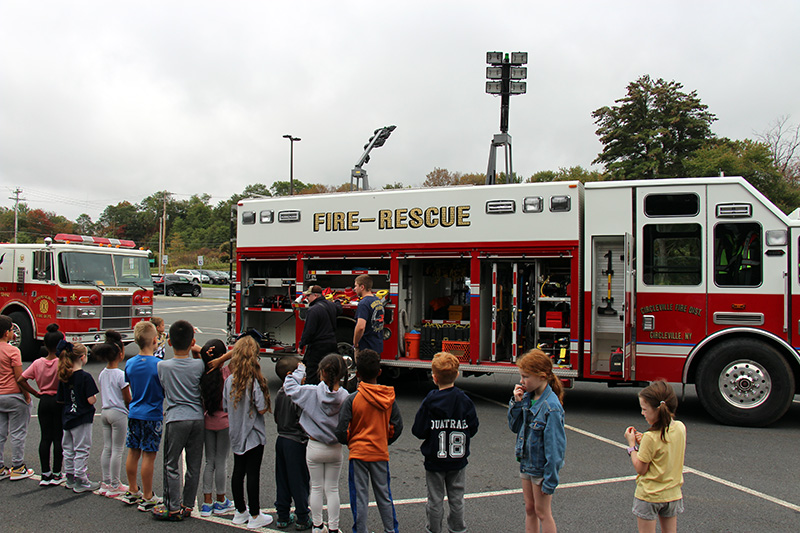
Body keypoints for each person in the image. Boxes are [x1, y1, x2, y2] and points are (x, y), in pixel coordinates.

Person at [335, 349, 403, 533]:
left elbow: (341, 429)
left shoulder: (352, 399)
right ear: (379, 372)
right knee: (384, 495)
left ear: (357, 374)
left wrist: (351, 441)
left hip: (358, 453)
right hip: (379, 451)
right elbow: (397, 426)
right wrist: (384, 439)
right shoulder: (389, 399)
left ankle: (361, 530)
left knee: (360, 496)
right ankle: (391, 529)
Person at [412, 352, 479, 533]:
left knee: (435, 498)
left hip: (435, 458)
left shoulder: (430, 401)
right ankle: (457, 528)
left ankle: (434, 529)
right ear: (456, 375)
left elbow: (418, 430)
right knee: (457, 497)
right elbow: (473, 426)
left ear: (434, 377)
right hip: (457, 459)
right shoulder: (464, 400)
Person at [285, 354, 350, 533]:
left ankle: (317, 525)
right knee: (332, 489)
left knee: (315, 487)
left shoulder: (312, 392)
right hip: (335, 448)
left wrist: (300, 370)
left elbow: (289, 387)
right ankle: (334, 528)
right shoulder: (346, 397)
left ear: (322, 372)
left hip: (314, 445)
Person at [150, 319, 206, 521]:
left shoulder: (163, 366)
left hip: (176, 417)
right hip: (197, 417)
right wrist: (195, 346)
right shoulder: (199, 365)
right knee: (193, 464)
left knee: (171, 463)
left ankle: (172, 505)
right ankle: (188, 504)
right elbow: (199, 356)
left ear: (170, 342)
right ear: (192, 342)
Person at [508, 349, 566, 533]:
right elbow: (514, 426)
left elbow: (555, 448)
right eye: (521, 376)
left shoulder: (552, 407)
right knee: (530, 509)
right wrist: (516, 402)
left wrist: (550, 479)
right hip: (527, 463)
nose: (522, 381)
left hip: (541, 468)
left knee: (542, 512)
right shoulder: (528, 397)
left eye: (525, 377)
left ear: (541, 376)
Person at [224, 336, 274, 529]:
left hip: (236, 431)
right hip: (253, 433)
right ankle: (255, 514)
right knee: (253, 473)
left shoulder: (230, 380)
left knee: (238, 471)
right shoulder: (253, 381)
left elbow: (225, 406)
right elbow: (261, 408)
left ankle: (240, 510)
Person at [623, 380, 686, 533]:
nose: (642, 413)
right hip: (672, 494)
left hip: (649, 496)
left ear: (656, 410)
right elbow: (664, 446)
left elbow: (641, 468)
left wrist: (632, 446)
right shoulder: (680, 427)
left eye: (644, 409)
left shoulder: (651, 438)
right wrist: (644, 440)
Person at [123, 320, 164, 512]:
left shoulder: (130, 364)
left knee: (133, 450)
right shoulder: (158, 365)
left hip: (135, 411)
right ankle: (148, 495)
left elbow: (128, 386)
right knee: (149, 454)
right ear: (155, 340)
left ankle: (132, 489)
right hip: (152, 413)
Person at [17, 323, 64, 485]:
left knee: (45, 437)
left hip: (43, 400)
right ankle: (57, 472)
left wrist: (35, 392)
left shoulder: (38, 363)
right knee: (58, 437)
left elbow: (21, 379)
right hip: (58, 400)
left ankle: (45, 473)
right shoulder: (62, 363)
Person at [273, 356, 313, 530]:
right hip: (296, 441)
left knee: (282, 478)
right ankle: (302, 516)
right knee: (299, 479)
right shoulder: (298, 394)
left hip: (281, 438)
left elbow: (276, 416)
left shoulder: (280, 393)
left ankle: (282, 514)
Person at [56, 340, 100, 493]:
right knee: (82, 448)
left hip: (68, 416)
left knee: (68, 448)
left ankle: (69, 476)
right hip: (82, 416)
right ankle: (81, 479)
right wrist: (94, 399)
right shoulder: (85, 377)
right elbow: (90, 399)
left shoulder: (64, 376)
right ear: (82, 357)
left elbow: (61, 399)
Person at [199, 339, 234, 517]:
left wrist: (208, 354)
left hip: (207, 420)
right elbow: (242, 349)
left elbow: (196, 350)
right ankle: (221, 500)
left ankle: (206, 502)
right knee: (221, 462)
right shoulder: (227, 373)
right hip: (224, 422)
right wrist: (222, 359)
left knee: (209, 462)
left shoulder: (203, 374)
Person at [95, 330, 131, 498]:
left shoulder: (103, 373)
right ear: (120, 354)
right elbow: (127, 397)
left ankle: (105, 481)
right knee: (117, 449)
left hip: (105, 411)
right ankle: (115, 484)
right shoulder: (120, 374)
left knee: (107, 448)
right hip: (118, 413)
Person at [0, 314, 33, 481]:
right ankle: (18, 465)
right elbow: (19, 377)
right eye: (12, 330)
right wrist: (27, 395)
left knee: (0, 433)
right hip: (13, 395)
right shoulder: (13, 351)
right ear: (6, 333)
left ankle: (0, 467)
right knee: (18, 432)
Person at [299, 285, 342, 385]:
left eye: (308, 296)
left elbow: (308, 331)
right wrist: (337, 301)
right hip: (331, 345)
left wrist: (301, 345)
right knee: (330, 373)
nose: (307, 298)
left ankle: (313, 395)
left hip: (317, 347)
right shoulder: (331, 305)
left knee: (312, 374)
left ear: (315, 296)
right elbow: (339, 309)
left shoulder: (313, 310)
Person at [352, 274, 384, 355]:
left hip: (367, 348)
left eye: (356, 286)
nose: (354, 289)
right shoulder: (378, 300)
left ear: (362, 287)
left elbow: (361, 327)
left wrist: (355, 343)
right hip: (377, 346)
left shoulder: (363, 303)